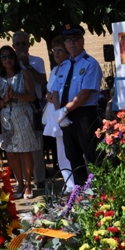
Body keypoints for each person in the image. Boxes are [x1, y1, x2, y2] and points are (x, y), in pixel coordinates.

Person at [51, 24, 102, 186]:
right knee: (72, 155)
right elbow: (55, 91)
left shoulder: (90, 64)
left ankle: (98, 191)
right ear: (65, 44)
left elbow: (85, 93)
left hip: (84, 114)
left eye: (75, 39)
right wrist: (60, 112)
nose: (72, 43)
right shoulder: (64, 66)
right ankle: (81, 192)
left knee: (91, 153)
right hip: (66, 116)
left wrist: (64, 110)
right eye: (68, 40)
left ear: (82, 41)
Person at [0, 46, 38, 199]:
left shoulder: (23, 74)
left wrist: (17, 95)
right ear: (0, 60)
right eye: (3, 57)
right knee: (11, 153)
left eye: (10, 56)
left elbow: (32, 96)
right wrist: (4, 100)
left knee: (26, 151)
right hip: (6, 117)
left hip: (23, 113)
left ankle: (28, 185)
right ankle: (19, 183)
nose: (7, 59)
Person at [12, 30, 47, 188]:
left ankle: (39, 179)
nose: (20, 46)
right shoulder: (9, 62)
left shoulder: (37, 61)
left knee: (36, 144)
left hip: (34, 106)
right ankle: (23, 180)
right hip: (16, 107)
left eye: (23, 43)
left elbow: (42, 81)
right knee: (18, 144)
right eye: (17, 44)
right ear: (13, 46)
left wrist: (26, 66)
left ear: (29, 45)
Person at [42, 36, 74, 193]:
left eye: (60, 50)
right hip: (54, 113)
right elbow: (51, 90)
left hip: (65, 112)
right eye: (54, 50)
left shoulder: (69, 66)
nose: (56, 53)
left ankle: (77, 182)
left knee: (71, 149)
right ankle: (69, 182)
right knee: (61, 150)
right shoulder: (55, 69)